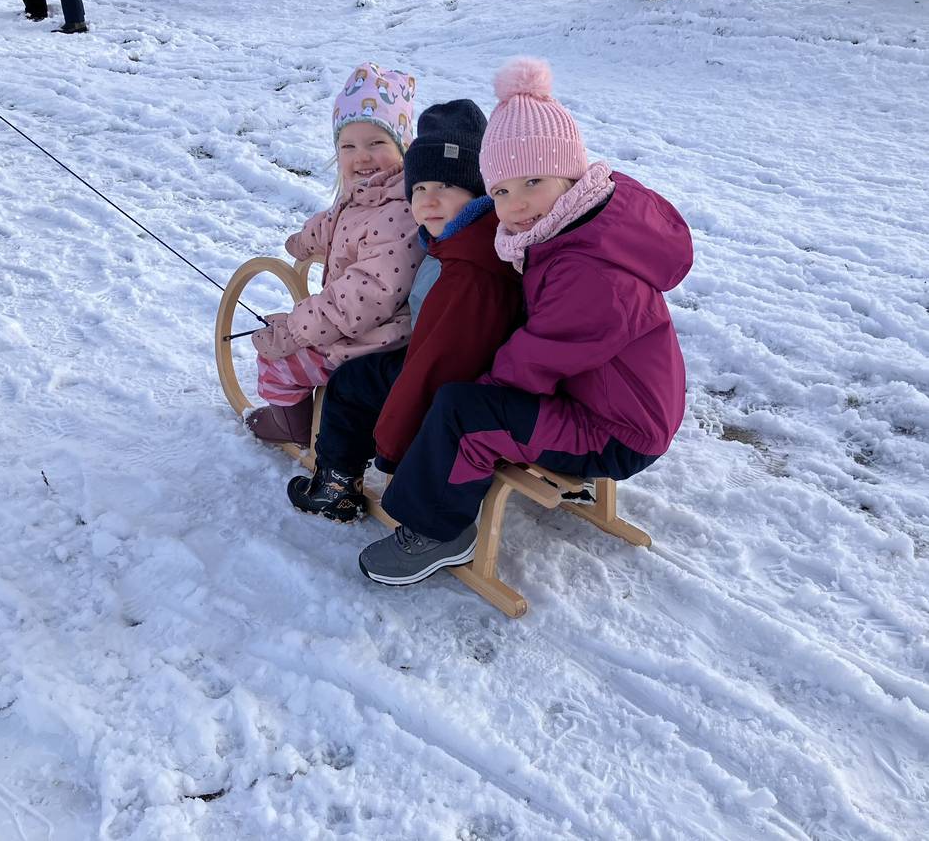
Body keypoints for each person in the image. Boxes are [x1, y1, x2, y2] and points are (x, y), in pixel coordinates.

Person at [357, 57, 694, 586]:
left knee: (463, 411)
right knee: (472, 389)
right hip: (604, 400)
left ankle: (439, 529)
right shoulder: (578, 228)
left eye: (532, 181)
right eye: (502, 192)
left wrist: (476, 394)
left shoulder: (588, 268)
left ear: (571, 171)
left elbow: (537, 357)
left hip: (616, 430)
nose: (516, 205)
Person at [287, 100, 523, 522]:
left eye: (445, 187)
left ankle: (336, 486)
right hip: (463, 365)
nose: (429, 201)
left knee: (351, 383)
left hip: (455, 378)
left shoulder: (463, 269)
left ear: (477, 188)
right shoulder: (464, 237)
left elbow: (436, 363)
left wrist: (393, 443)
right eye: (418, 189)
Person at [246, 63, 425, 449]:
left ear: (403, 147)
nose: (361, 157)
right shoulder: (372, 194)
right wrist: (305, 240)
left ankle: (293, 428)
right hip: (361, 329)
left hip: (373, 342)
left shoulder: (398, 213)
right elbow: (337, 220)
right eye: (348, 146)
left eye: (376, 143)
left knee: (275, 362)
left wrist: (295, 329)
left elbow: (362, 298)